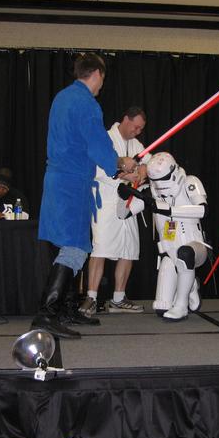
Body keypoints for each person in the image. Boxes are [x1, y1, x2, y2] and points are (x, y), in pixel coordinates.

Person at [31, 52, 137, 339]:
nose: (103, 83)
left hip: (57, 180)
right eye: (103, 77)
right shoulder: (87, 103)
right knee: (75, 247)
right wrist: (121, 163)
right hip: (73, 183)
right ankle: (47, 314)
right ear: (97, 74)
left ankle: (66, 308)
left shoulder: (62, 97)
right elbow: (98, 145)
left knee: (67, 245)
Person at [117, 152, 208, 321]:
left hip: (195, 247)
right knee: (161, 308)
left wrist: (169, 210)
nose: (160, 185)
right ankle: (190, 285)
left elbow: (203, 210)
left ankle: (181, 305)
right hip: (169, 251)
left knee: (185, 254)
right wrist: (123, 196)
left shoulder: (190, 182)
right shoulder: (151, 192)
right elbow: (123, 214)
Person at [79, 107, 151, 317]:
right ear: (125, 120)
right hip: (106, 201)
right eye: (135, 127)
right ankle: (91, 297)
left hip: (128, 203)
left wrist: (144, 169)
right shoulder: (106, 138)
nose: (137, 132)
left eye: (141, 129)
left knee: (129, 249)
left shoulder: (135, 144)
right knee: (100, 248)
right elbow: (95, 168)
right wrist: (122, 175)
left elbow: (149, 159)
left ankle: (118, 298)